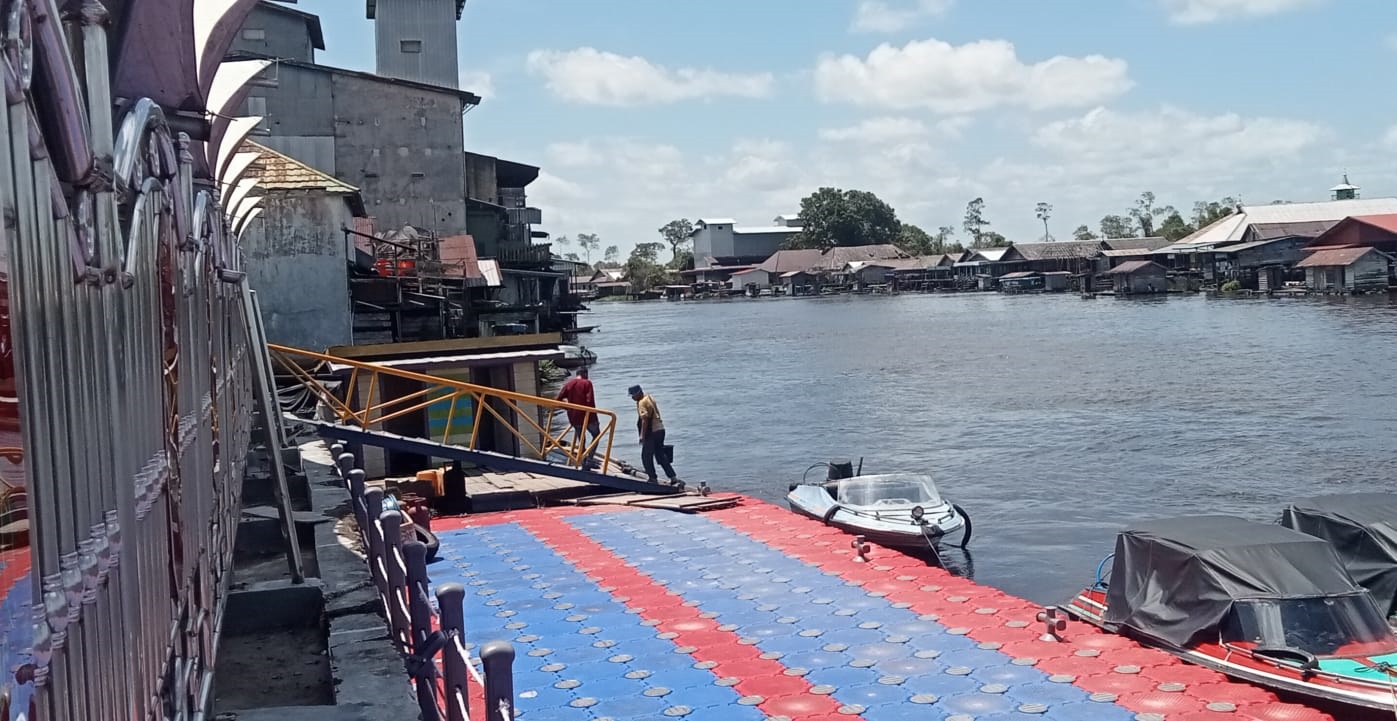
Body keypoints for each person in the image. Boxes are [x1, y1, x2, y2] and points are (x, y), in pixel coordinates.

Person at [628, 384, 677, 483]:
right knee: (660, 454)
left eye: (633, 395)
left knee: (646, 456)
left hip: (652, 432)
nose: (632, 398)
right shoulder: (649, 397)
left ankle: (652, 478)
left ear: (638, 394)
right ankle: (672, 477)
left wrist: (642, 435)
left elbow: (645, 419)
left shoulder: (641, 402)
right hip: (660, 429)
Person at [556, 367, 599, 466]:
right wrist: (594, 416)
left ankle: (583, 459)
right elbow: (590, 401)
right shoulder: (587, 383)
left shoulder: (568, 384)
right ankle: (590, 458)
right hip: (588, 416)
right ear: (585, 374)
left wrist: (568, 408)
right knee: (596, 435)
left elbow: (558, 400)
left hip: (574, 417)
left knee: (581, 439)